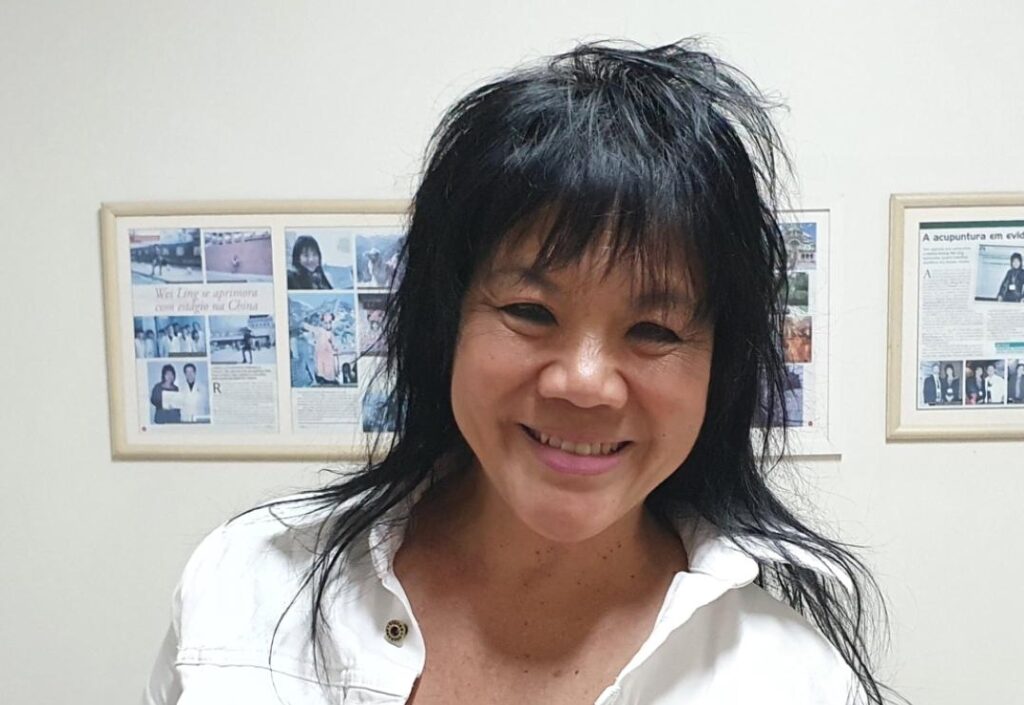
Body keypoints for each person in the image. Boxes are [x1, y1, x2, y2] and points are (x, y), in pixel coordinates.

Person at [144, 40, 894, 705]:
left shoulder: (797, 681)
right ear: (445, 323)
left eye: (654, 330)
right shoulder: (246, 585)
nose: (586, 381)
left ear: (718, 369)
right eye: (531, 311)